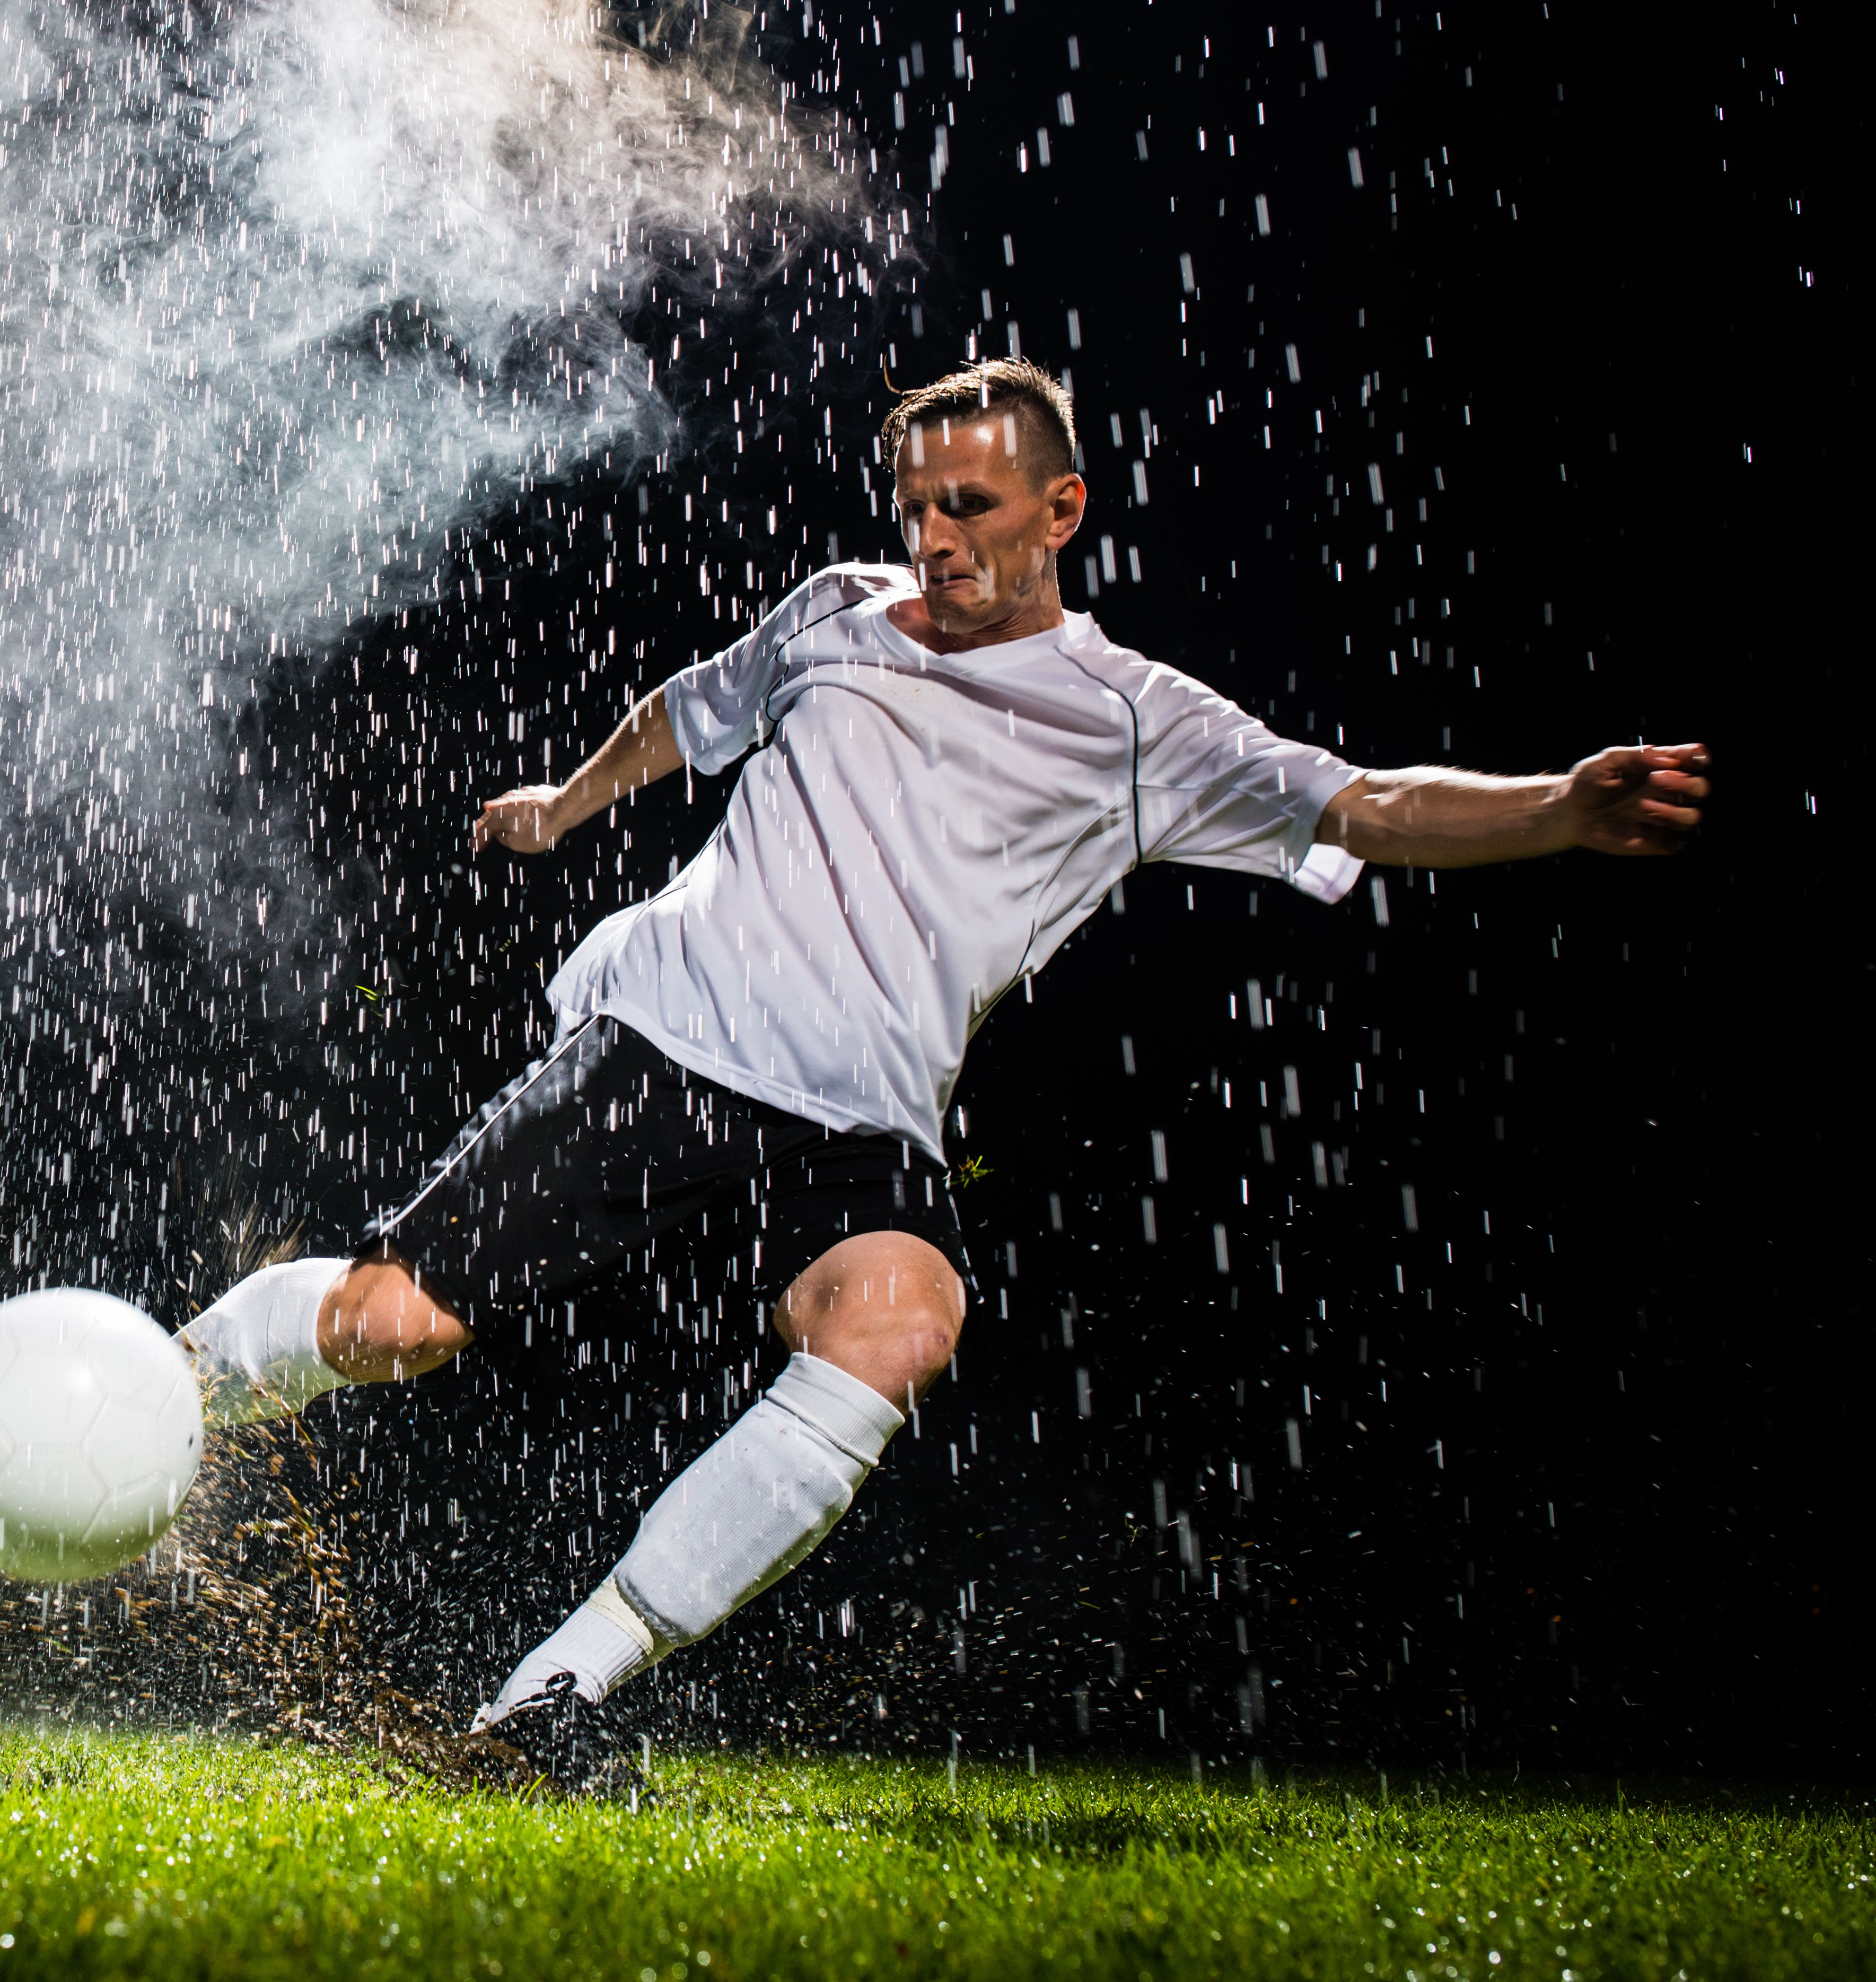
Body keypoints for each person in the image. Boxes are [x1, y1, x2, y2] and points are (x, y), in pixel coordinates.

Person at [177, 355, 1709, 1788]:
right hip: (676, 1033)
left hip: (862, 1107)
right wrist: (567, 805)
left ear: (1063, 510)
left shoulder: (1135, 723)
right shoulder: (840, 610)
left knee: (899, 1323)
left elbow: (1364, 804)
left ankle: (543, 1702)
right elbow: (691, 713)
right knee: (392, 1327)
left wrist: (1558, 810)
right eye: (915, 504)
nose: (934, 536)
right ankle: (152, 1397)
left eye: (967, 506)